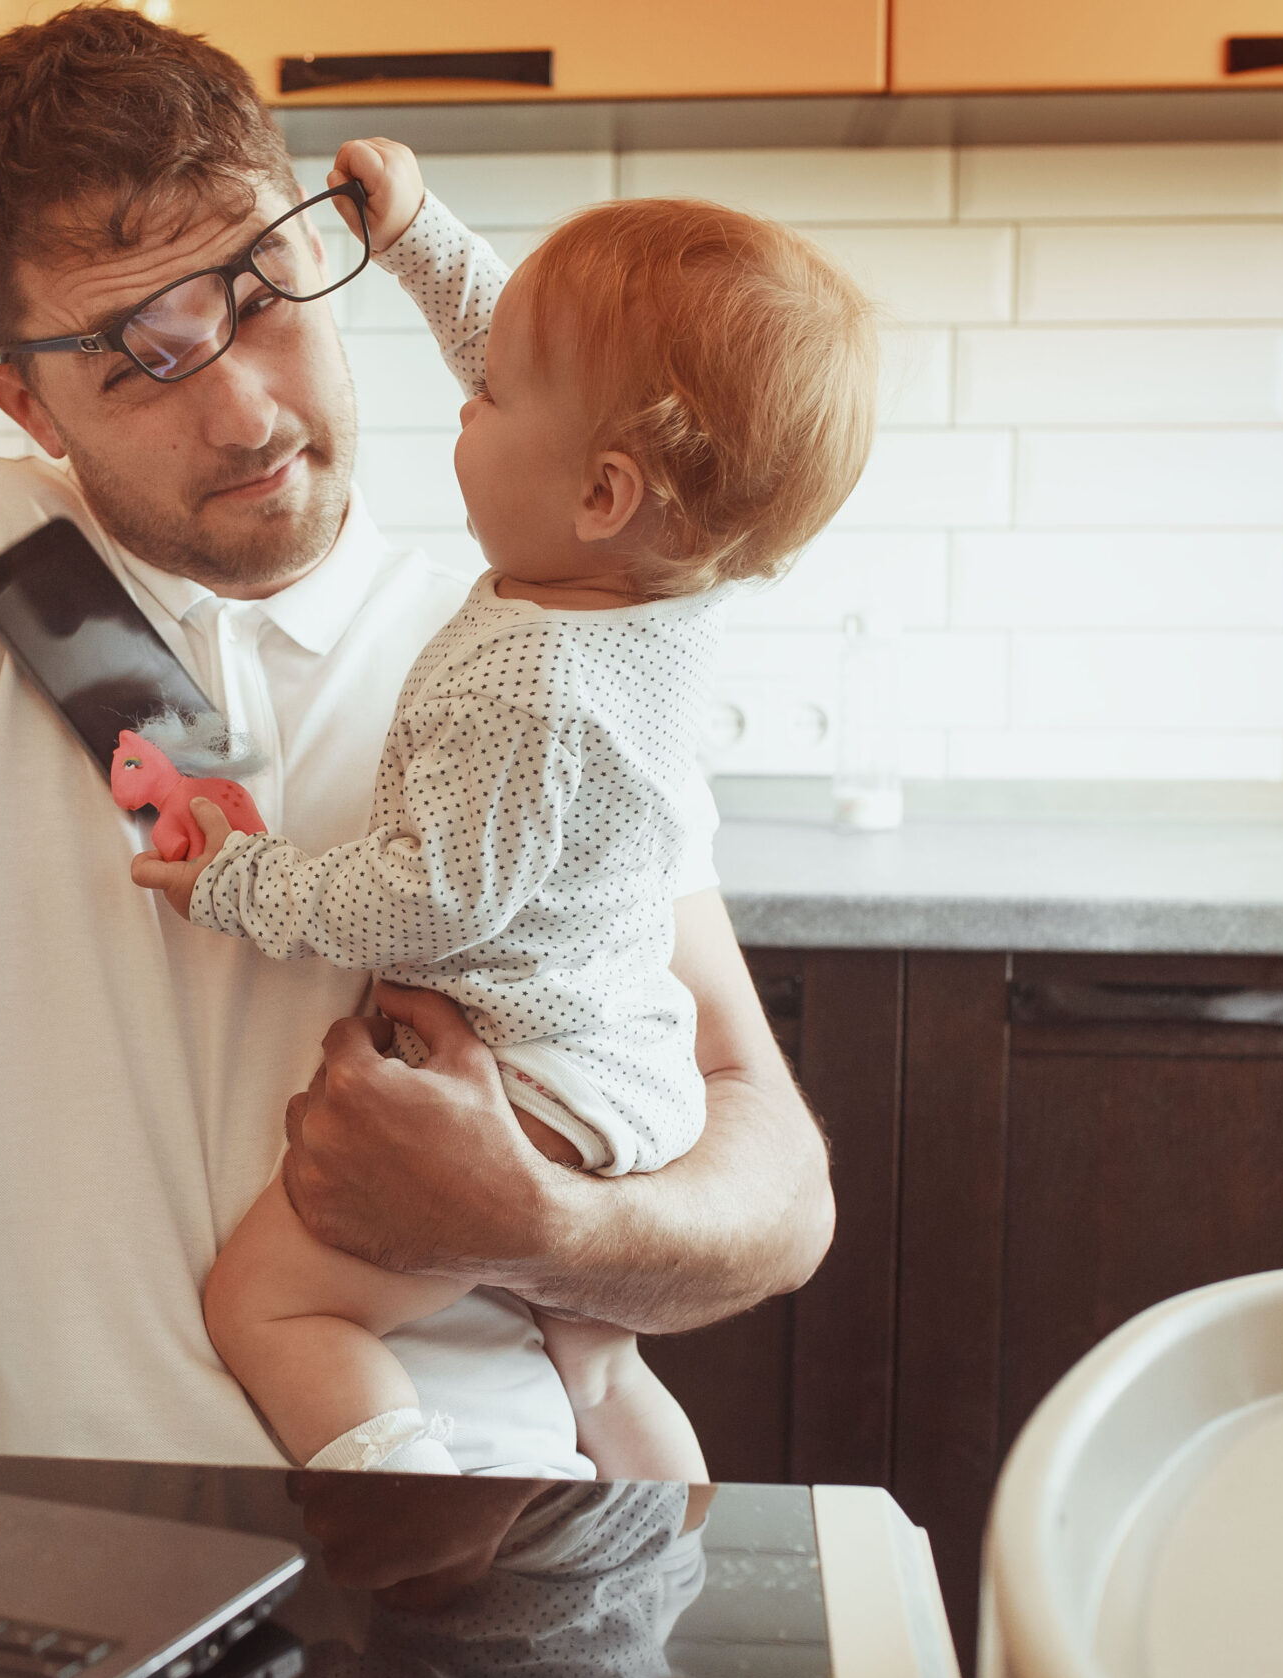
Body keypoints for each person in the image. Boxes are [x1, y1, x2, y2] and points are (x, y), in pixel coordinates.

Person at [0, 6, 834, 1557]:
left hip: (488, 1542)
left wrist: (538, 1225)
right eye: (137, 362)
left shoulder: (541, 636)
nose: (246, 409)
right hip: (42, 1530)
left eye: (260, 297)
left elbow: (773, 1185)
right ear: (24, 401)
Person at [132, 144, 877, 1481]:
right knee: (595, 1352)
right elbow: (531, 344)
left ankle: (414, 1517)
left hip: (531, 1081)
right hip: (625, 1063)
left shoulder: (527, 679)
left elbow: (437, 894)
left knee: (269, 1302)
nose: (462, 406)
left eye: (488, 397)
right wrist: (420, 237)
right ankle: (666, 1536)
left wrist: (244, 880)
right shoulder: (665, 583)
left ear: (600, 491)